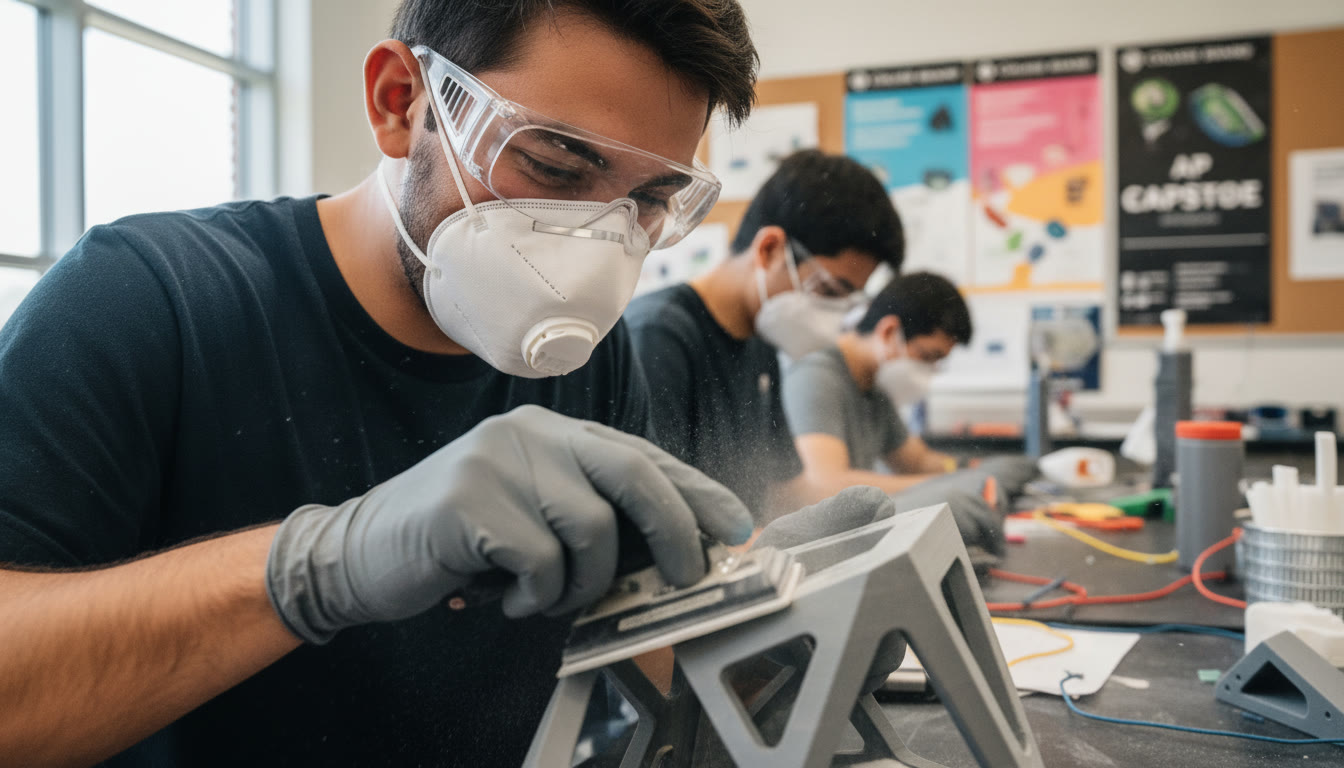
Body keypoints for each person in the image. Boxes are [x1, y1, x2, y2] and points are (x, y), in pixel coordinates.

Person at [0, 2, 818, 765]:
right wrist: (321, 566)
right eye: (555, 165)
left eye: (647, 199)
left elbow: (640, 643)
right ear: (402, 101)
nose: (599, 245)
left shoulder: (588, 358)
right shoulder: (148, 301)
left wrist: (774, 614)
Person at [625, 150, 905, 519]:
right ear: (770, 249)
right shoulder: (660, 336)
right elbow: (663, 517)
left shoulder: (761, 345)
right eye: (830, 291)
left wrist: (909, 504)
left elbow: (785, 490)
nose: (833, 316)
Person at [781, 271, 972, 498]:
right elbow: (827, 485)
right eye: (927, 356)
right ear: (889, 331)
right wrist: (950, 486)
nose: (929, 369)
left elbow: (916, 461)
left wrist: (967, 470)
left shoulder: (873, 388)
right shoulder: (816, 377)